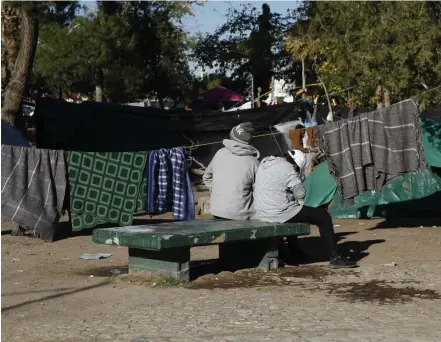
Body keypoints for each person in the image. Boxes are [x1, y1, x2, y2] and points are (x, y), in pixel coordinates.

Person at [253, 149, 357, 269]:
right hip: (277, 212)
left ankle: (295, 251)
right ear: (296, 164)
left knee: (295, 212)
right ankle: (336, 257)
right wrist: (298, 178)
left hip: (261, 211)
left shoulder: (265, 163)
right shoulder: (288, 168)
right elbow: (300, 194)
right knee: (323, 216)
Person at [203, 122, 260, 220]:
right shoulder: (254, 162)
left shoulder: (219, 153)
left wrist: (218, 190)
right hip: (241, 215)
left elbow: (207, 177)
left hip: (217, 210)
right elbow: (259, 190)